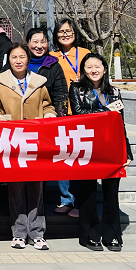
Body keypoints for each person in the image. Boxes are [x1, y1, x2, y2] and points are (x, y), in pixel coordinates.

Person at [0, 43, 56, 250]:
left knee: (37, 187)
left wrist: (49, 115)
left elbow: (47, 105)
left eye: (22, 57)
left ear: (28, 59)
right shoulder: (0, 81)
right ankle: (18, 232)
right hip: (12, 141)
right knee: (15, 187)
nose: (18, 61)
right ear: (9, 60)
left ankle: (37, 232)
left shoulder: (39, 82)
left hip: (35, 141)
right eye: (14, 57)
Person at [70, 53, 133, 252]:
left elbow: (120, 123)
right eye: (89, 67)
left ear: (105, 69)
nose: (94, 70)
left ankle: (112, 234)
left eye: (97, 66)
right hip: (87, 146)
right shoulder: (77, 89)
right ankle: (90, 234)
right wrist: (106, 112)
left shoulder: (114, 92)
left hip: (111, 147)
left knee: (111, 193)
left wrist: (127, 152)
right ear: (83, 70)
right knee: (88, 193)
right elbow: (79, 114)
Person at [50, 17, 90, 217]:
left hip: (81, 112)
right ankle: (66, 199)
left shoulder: (84, 54)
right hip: (61, 112)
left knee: (80, 157)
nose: (65, 34)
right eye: (61, 31)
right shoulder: (52, 56)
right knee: (63, 157)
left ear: (75, 33)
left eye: (69, 31)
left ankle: (81, 201)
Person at [27, 27, 68, 115]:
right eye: (35, 42)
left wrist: (58, 117)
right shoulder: (18, 64)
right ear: (28, 43)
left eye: (43, 42)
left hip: (48, 115)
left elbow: (61, 96)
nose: (39, 46)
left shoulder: (54, 66)